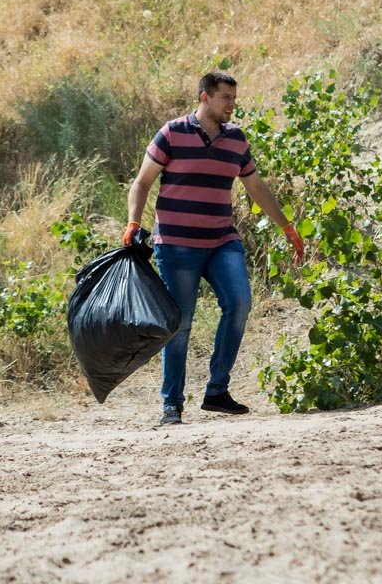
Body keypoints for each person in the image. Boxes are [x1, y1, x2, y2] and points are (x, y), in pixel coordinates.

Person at [124, 71, 304, 426]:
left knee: (239, 303)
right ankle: (171, 405)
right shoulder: (172, 133)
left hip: (222, 240)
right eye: (226, 99)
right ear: (205, 98)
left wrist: (287, 225)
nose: (232, 106)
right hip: (176, 244)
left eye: (234, 99)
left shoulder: (236, 140)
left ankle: (217, 392)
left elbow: (256, 187)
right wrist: (132, 222)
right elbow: (142, 182)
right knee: (181, 323)